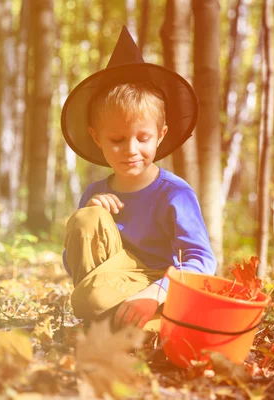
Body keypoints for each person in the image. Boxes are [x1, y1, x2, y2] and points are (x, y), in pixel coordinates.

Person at [61, 26, 216, 331]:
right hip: (107, 286)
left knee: (91, 300)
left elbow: (201, 261)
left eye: (142, 138)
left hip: (161, 286)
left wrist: (154, 293)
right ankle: (115, 324)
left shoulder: (174, 194)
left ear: (161, 135)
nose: (131, 150)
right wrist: (92, 215)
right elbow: (72, 263)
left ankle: (135, 324)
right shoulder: (95, 193)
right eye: (117, 139)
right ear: (97, 138)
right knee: (86, 221)